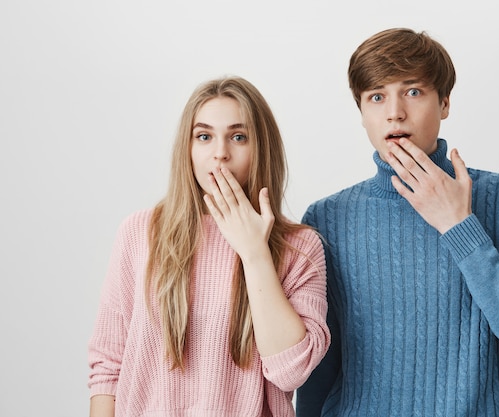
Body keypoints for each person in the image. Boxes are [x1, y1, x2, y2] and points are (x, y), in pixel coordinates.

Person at [296, 28, 499, 416]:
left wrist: (459, 225)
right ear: (361, 112)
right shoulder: (326, 218)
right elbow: (319, 371)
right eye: (376, 96)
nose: (394, 112)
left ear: (445, 103)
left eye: (413, 91)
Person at [88, 76, 330, 417]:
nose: (220, 153)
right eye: (204, 136)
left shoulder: (300, 247)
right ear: (187, 149)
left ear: (261, 147)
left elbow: (291, 371)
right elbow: (108, 368)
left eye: (238, 137)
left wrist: (254, 254)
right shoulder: (140, 232)